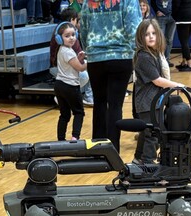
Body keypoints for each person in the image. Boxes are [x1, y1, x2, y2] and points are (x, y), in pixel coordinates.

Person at [79, 0, 141, 153]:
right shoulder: (129, 1)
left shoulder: (89, 2)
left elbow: (84, 29)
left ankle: (97, 149)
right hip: (121, 56)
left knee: (99, 103)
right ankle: (112, 151)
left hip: (95, 58)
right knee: (115, 105)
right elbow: (134, 28)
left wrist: (90, 49)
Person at [132, 19, 185, 164]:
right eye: (147, 34)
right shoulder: (144, 56)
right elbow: (157, 80)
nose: (151, 37)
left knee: (147, 132)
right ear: (140, 37)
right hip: (147, 103)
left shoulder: (153, 54)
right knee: (153, 134)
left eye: (154, 33)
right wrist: (177, 85)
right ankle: (148, 163)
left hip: (153, 101)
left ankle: (138, 158)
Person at [49, 8, 94, 106]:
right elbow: (79, 66)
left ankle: (87, 97)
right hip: (58, 67)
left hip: (68, 64)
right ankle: (67, 96)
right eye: (77, 19)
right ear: (73, 19)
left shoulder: (66, 32)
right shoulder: (66, 35)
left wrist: (81, 58)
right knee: (86, 73)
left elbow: (75, 58)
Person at [54, 22, 87, 141]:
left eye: (73, 34)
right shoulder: (67, 51)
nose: (71, 38)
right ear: (59, 38)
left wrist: (79, 59)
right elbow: (80, 68)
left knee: (64, 115)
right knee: (79, 113)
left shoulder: (63, 49)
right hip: (70, 86)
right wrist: (89, 61)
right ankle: (75, 138)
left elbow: (72, 65)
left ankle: (61, 140)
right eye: (67, 36)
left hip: (59, 85)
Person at [172, 0, 191, 72]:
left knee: (184, 41)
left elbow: (176, 5)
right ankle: (184, 62)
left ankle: (190, 64)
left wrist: (174, 16)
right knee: (185, 41)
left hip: (184, 17)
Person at [150, 0, 176, 66]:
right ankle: (160, 60)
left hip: (172, 17)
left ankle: (167, 60)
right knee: (160, 39)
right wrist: (157, 11)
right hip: (161, 16)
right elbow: (152, 2)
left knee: (169, 39)